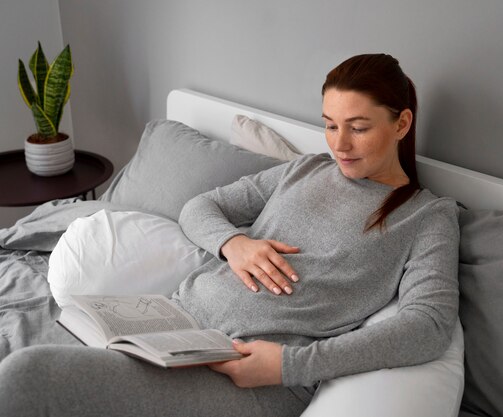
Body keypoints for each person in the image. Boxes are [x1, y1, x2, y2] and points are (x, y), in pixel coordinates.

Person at [0, 53, 460, 417]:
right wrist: (233, 244)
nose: (338, 144)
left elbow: (429, 327)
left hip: (247, 373)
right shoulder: (305, 168)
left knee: (27, 376)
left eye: (358, 128)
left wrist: (290, 366)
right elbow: (200, 207)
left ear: (401, 124)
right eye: (329, 124)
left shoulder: (427, 217)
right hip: (171, 322)